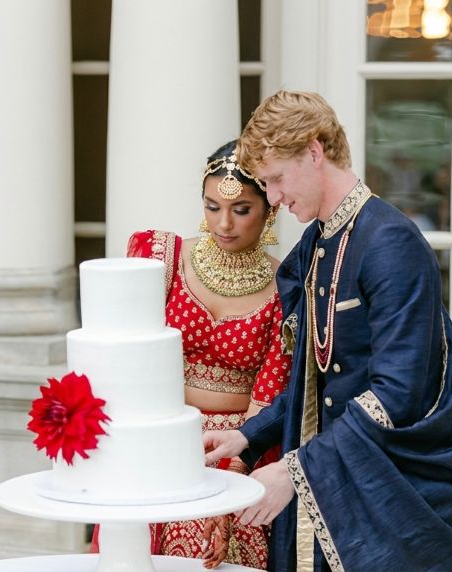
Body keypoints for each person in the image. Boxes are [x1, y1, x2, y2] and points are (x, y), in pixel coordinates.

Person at [203, 90, 452, 571]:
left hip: (400, 497)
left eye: (275, 179)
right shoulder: (318, 242)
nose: (272, 198)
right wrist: (248, 436)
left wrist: (295, 471)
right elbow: (313, 382)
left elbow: (397, 395)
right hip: (338, 483)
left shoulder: (390, 242)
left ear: (314, 152)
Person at [90, 140, 292, 569]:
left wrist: (229, 487)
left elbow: (270, 389)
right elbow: (124, 356)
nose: (223, 223)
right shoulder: (161, 258)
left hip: (238, 448)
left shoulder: (285, 286)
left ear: (270, 209)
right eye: (211, 206)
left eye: (241, 210)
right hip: (158, 440)